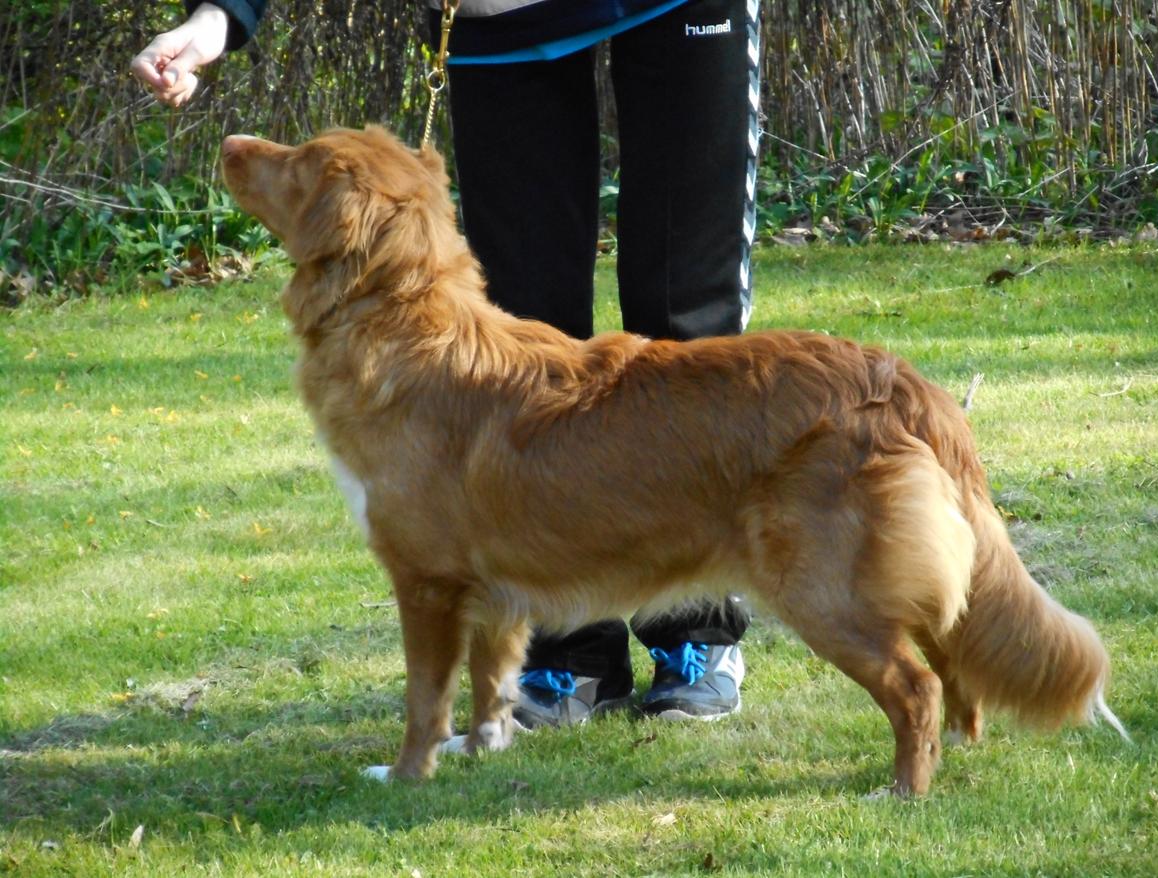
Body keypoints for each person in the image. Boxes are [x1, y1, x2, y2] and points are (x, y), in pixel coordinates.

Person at [132, 0, 760, 726]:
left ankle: (697, 630)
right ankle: (566, 651)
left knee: (683, 328)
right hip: (506, 20)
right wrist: (218, 19)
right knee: (523, 347)